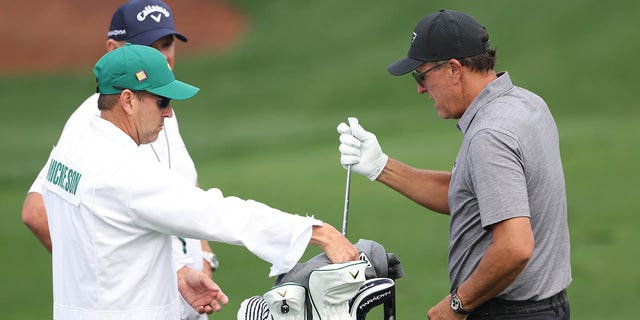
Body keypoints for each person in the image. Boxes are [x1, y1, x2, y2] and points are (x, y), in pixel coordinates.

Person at [42, 43, 358, 319]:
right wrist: (316, 232)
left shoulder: (69, 151)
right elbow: (216, 213)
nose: (168, 115)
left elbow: (98, 246)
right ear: (128, 101)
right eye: (162, 102)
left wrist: (172, 275)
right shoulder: (124, 173)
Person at [337, 9, 571, 320]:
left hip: (509, 313)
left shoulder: (490, 134)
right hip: (543, 307)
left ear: (453, 69)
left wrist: (458, 304)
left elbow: (516, 246)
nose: (421, 89)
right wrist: (381, 166)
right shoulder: (526, 104)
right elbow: (472, 193)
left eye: (421, 76)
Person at [21, 1, 218, 318]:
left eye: (166, 44)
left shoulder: (162, 108)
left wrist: (206, 255)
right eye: (149, 47)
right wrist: (119, 285)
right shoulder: (91, 122)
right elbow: (36, 211)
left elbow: (187, 186)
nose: (162, 57)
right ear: (113, 50)